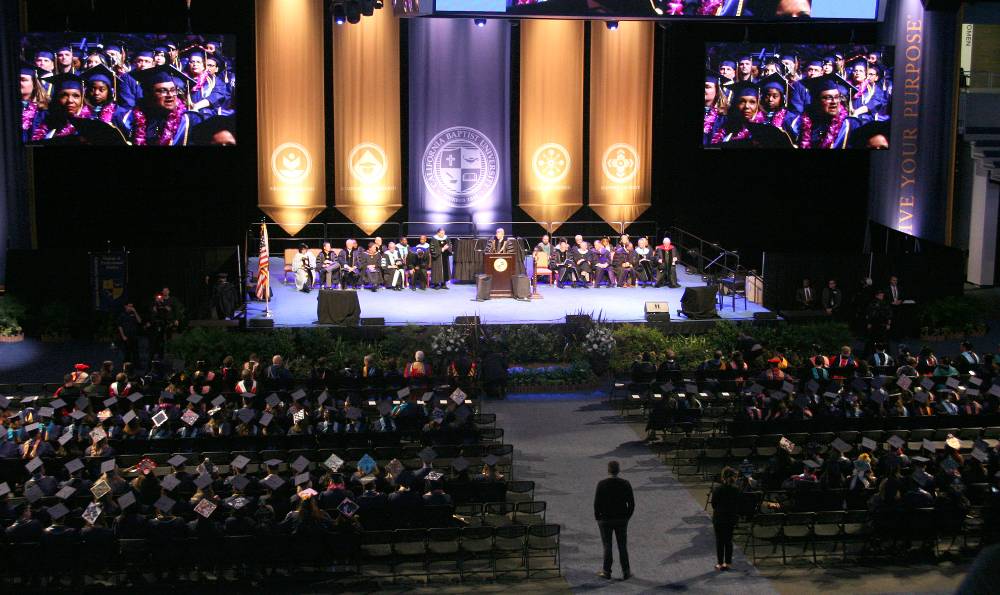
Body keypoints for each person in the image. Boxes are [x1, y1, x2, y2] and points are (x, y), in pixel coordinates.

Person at [121, 64, 201, 146]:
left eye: (173, 90)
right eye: (162, 91)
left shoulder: (189, 121)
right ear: (149, 95)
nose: (170, 95)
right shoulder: (131, 120)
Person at [594, 460, 633, 580]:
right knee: (622, 546)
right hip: (621, 519)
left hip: (605, 520)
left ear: (608, 470)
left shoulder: (601, 484)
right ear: (618, 470)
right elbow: (631, 504)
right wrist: (627, 517)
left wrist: (598, 518)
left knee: (607, 546)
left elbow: (596, 504)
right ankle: (626, 571)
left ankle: (606, 571)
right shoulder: (626, 483)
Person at [710, 467, 740, 571]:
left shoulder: (717, 489)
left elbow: (713, 504)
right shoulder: (736, 489)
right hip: (731, 517)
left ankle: (720, 563)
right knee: (728, 540)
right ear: (734, 478)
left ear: (723, 477)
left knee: (720, 541)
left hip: (719, 517)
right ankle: (728, 563)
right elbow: (739, 504)